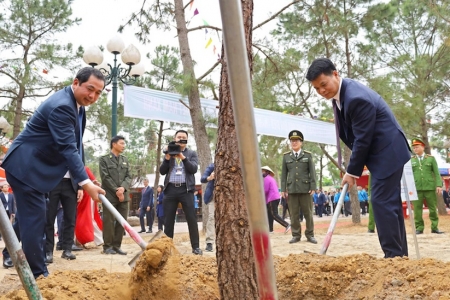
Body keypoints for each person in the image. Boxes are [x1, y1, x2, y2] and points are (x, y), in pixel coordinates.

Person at [1, 67, 106, 278]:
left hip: (37, 169)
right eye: (90, 89)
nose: (93, 96)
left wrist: (84, 179)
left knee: (31, 216)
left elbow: (77, 146)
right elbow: (67, 148)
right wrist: (85, 183)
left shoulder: (78, 105)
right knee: (36, 219)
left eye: (98, 93)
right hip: (26, 167)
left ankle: (12, 253)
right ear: (76, 82)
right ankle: (38, 274)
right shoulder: (62, 106)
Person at [306, 58, 411, 258]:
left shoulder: (355, 98)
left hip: (388, 153)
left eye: (323, 85)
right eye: (316, 89)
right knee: (389, 204)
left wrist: (352, 171)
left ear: (335, 74)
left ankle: (393, 257)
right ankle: (399, 257)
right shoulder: (341, 96)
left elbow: (363, 140)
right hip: (383, 153)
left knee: (381, 203)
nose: (321, 91)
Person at [159, 130, 202, 255]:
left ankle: (196, 247)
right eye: (179, 137)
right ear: (175, 138)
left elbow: (193, 169)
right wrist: (167, 158)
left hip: (186, 189)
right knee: (168, 220)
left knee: (191, 219)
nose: (181, 139)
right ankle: (167, 248)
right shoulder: (169, 151)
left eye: (184, 137)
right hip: (170, 189)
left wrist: (183, 157)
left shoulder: (191, 153)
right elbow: (162, 171)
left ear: (187, 140)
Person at [280, 130, 317, 244]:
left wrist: (313, 186)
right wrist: (283, 189)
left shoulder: (307, 155)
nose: (294, 143)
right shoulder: (286, 157)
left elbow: (312, 172)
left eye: (296, 141)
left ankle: (310, 235)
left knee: (308, 214)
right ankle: (296, 235)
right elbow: (284, 174)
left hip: (305, 189)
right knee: (293, 214)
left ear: (301, 142)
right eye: (292, 141)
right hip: (292, 189)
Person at [99, 135, 132, 255]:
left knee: (122, 221)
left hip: (123, 195)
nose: (124, 146)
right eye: (122, 143)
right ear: (114, 144)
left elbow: (129, 176)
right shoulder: (104, 159)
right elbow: (105, 177)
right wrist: (116, 190)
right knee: (108, 220)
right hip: (110, 196)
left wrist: (122, 188)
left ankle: (117, 246)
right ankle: (107, 246)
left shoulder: (125, 159)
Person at [410, 138, 444, 234]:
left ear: (422, 147)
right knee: (417, 209)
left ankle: (434, 227)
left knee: (433, 208)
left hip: (429, 187)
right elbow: (409, 175)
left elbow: (437, 173)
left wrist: (438, 185)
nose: (415, 149)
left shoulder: (431, 159)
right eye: (414, 148)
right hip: (416, 188)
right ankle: (419, 228)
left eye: (417, 147)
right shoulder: (411, 160)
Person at [75, 166, 103, 247]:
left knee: (86, 218)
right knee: (86, 218)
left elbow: (94, 182)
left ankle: (96, 239)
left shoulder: (84, 168)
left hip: (86, 196)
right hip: (82, 196)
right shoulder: (83, 168)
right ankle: (94, 239)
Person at [262, 166, 291, 234]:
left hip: (272, 198)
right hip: (275, 197)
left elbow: (265, 190)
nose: (262, 172)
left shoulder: (266, 179)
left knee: (274, 214)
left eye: (263, 171)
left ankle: (287, 225)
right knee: (270, 214)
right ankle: (270, 230)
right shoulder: (272, 179)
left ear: (267, 172)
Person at [200, 163, 216, 252]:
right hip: (213, 197)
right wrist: (209, 178)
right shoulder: (212, 166)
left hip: (229, 196)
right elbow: (202, 179)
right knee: (211, 217)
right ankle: (209, 243)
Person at [1, 184, 16, 268]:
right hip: (2, 212)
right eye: (5, 187)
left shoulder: (11, 195)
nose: (6, 188)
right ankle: (7, 254)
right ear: (2, 188)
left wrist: (13, 212)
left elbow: (13, 203)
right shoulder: (0, 195)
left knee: (11, 226)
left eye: (7, 187)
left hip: (9, 211)